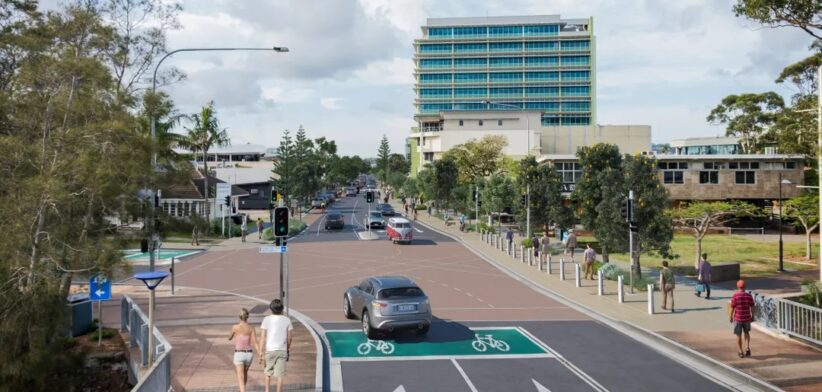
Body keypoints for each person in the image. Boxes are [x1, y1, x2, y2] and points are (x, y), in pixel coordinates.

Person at [259, 299, 293, 392]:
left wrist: (260, 352)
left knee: (267, 373)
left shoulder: (266, 319)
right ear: (282, 308)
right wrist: (288, 347)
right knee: (280, 375)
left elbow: (262, 337)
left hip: (269, 350)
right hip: (282, 350)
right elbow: (290, 337)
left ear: (271, 308)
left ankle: (267, 390)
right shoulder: (287, 320)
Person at [229, 308, 258, 392]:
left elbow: (229, 337)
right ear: (247, 316)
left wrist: (232, 335)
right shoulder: (251, 328)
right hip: (249, 354)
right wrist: (260, 353)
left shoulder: (235, 327)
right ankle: (243, 389)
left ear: (240, 316)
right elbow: (255, 342)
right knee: (244, 373)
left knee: (240, 375)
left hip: (239, 354)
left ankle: (242, 390)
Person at [730, 280, 755, 358]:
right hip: (747, 318)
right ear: (745, 286)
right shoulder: (748, 296)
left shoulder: (735, 296)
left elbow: (732, 307)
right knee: (747, 333)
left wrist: (731, 316)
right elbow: (752, 306)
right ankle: (747, 347)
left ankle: (740, 352)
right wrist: (752, 316)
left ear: (737, 286)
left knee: (738, 335)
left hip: (738, 318)